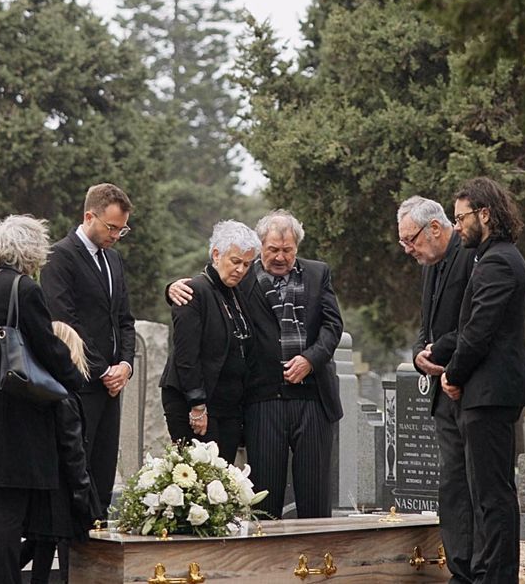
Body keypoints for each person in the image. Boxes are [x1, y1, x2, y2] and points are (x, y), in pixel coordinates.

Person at [168, 209, 342, 518]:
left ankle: (319, 561)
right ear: (260, 246)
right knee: (264, 499)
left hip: (314, 397)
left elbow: (332, 327)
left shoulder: (318, 273)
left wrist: (310, 360)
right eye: (272, 249)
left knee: (315, 497)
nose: (279, 257)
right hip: (263, 401)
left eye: (287, 250)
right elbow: (206, 286)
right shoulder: (242, 277)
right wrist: (171, 289)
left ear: (297, 248)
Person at [0, 215, 89, 584]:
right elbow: (48, 347)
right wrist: (76, 380)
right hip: (15, 424)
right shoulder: (24, 289)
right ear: (29, 251)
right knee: (10, 519)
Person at [439, 177, 525, 584]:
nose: (456, 227)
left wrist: (453, 375)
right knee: (487, 495)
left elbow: (479, 331)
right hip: (487, 392)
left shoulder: (498, 261)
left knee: (492, 497)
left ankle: (495, 577)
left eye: (460, 218)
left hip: (489, 394)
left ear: (485, 214)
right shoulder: (493, 257)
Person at [40, 183, 137, 516]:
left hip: (112, 385)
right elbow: (65, 321)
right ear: (88, 216)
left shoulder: (114, 260)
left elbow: (124, 319)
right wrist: (102, 369)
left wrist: (125, 364)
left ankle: (99, 551)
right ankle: (73, 560)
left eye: (122, 229)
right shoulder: (60, 257)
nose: (115, 235)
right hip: (80, 383)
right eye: (111, 228)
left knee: (103, 474)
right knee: (77, 477)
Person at [398, 195, 477, 584]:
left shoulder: (471, 255)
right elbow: (425, 327)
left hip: (473, 387)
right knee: (452, 485)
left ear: (434, 227)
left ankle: (481, 569)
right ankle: (459, 569)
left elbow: (475, 322)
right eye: (403, 242)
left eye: (410, 239)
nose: (408, 249)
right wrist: (418, 356)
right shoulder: (429, 265)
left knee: (478, 485)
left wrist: (441, 354)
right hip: (443, 393)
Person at [160, 220, 259, 463]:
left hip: (228, 404)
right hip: (195, 403)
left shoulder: (236, 294)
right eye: (235, 261)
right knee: (199, 480)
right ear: (216, 254)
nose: (241, 270)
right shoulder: (194, 291)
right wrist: (197, 405)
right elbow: (186, 355)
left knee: (222, 479)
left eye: (247, 264)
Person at [19, 321, 99, 584]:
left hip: (41, 484)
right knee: (63, 547)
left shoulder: (36, 394)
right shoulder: (65, 398)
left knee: (40, 545)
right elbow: (72, 449)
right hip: (63, 489)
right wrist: (82, 491)